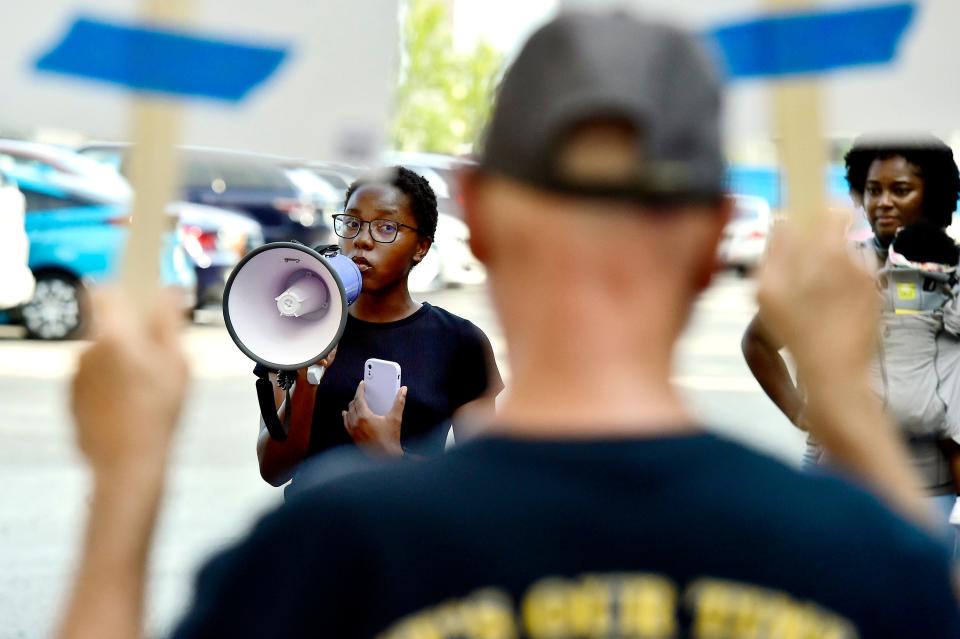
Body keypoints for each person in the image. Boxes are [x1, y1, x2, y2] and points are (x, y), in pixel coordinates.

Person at [58, 11, 959, 639]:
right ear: (718, 233)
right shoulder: (850, 554)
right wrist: (844, 406)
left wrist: (127, 479)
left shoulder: (327, 551)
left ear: (477, 217)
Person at [741, 135, 960, 545]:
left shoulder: (954, 271)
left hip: (933, 493)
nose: (882, 203)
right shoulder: (837, 267)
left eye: (901, 190)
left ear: (935, 196)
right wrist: (801, 412)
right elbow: (758, 342)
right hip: (838, 479)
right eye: (873, 190)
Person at [255, 166, 503, 491]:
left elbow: (481, 480)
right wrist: (305, 383)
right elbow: (273, 471)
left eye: (386, 227)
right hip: (314, 535)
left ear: (421, 247)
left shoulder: (459, 342)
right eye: (352, 223)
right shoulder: (297, 326)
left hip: (406, 538)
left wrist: (392, 456)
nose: (362, 239)